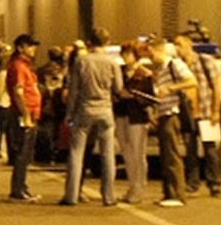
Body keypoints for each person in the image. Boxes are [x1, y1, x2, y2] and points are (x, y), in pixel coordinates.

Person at [60, 28, 122, 206]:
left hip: (85, 110)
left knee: (76, 152)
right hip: (105, 110)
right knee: (107, 154)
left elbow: (74, 91)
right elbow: (118, 87)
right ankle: (108, 196)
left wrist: (69, 113)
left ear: (89, 43)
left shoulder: (82, 61)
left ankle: (71, 195)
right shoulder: (112, 63)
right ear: (107, 42)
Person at [146, 37, 194, 207]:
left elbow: (191, 81)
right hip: (162, 113)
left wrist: (170, 88)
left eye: (151, 53)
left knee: (172, 155)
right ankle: (168, 194)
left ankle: (178, 195)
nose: (150, 57)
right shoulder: (160, 70)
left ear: (159, 50)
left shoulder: (175, 64)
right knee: (165, 156)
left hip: (172, 113)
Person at [173, 34, 221, 195]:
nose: (177, 48)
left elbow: (216, 87)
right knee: (190, 150)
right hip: (187, 114)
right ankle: (193, 183)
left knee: (210, 149)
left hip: (206, 112)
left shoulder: (205, 61)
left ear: (189, 44)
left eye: (179, 44)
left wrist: (215, 111)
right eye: (175, 45)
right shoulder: (178, 66)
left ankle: (214, 183)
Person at [114, 41, 156, 204]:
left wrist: (133, 96)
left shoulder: (144, 74)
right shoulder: (120, 72)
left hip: (137, 116)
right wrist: (118, 95)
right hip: (121, 114)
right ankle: (132, 186)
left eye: (128, 53)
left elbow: (150, 98)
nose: (125, 57)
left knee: (138, 153)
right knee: (126, 152)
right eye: (123, 53)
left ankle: (139, 187)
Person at [7, 34, 42, 202]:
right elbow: (18, 91)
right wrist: (26, 115)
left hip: (31, 113)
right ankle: (17, 190)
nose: (33, 49)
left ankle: (21, 187)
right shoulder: (18, 67)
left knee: (26, 153)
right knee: (22, 153)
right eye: (30, 46)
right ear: (20, 47)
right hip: (24, 114)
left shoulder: (25, 66)